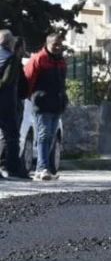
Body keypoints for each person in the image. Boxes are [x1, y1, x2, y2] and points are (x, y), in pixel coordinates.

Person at [24, 31, 68, 181]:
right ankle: (42, 168)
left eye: (59, 44)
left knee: (50, 136)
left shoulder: (61, 61)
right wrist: (31, 98)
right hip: (42, 104)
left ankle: (44, 168)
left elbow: (62, 82)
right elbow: (28, 79)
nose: (57, 47)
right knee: (43, 135)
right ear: (47, 44)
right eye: (54, 44)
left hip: (56, 104)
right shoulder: (39, 59)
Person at [0, 30, 30, 180]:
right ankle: (13, 168)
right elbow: (6, 81)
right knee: (11, 137)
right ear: (9, 42)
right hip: (6, 103)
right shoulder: (11, 58)